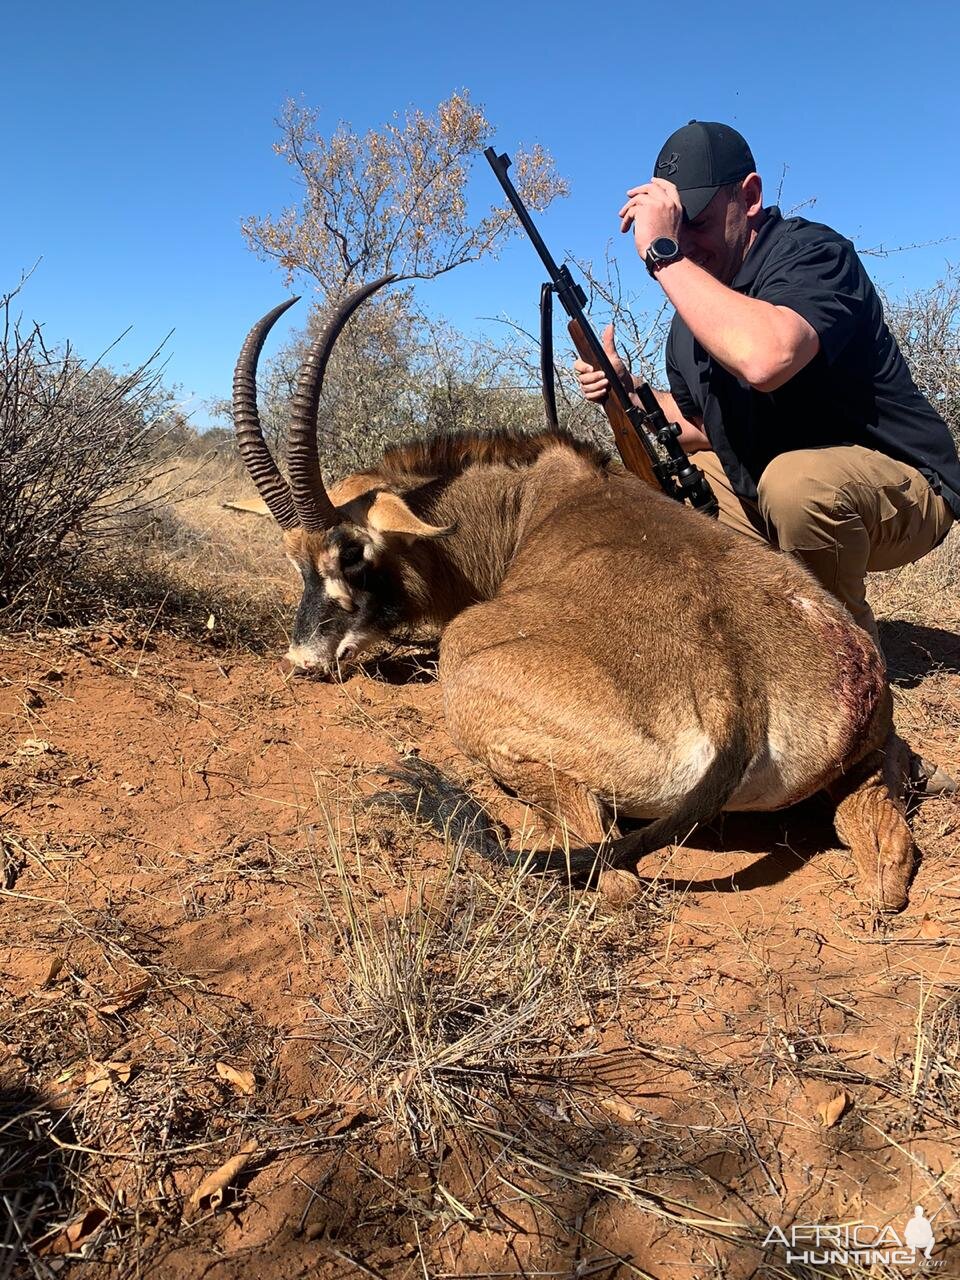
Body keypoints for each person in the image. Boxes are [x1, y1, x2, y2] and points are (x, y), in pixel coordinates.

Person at [574, 121, 960, 654]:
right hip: (773, 492)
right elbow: (700, 429)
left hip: (904, 490)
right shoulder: (693, 320)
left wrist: (663, 253)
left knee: (797, 485)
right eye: (674, 228)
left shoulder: (813, 255)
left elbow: (766, 358)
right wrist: (630, 393)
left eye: (696, 223)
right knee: (645, 486)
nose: (686, 242)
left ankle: (842, 670)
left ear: (749, 197)